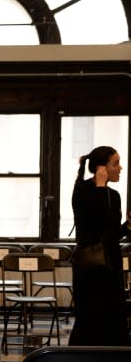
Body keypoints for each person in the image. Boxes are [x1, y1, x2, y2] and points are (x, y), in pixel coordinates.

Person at [69, 146, 131, 346]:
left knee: (113, 313)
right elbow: (94, 225)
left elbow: (110, 233)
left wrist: (128, 226)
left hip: (111, 262)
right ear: (101, 168)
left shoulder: (114, 195)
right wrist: (101, 186)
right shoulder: (83, 189)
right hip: (91, 265)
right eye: (115, 163)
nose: (120, 168)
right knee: (91, 314)